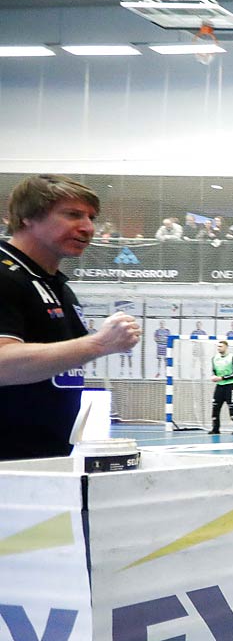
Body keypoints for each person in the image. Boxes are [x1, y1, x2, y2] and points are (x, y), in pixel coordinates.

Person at [0, 175, 139, 459]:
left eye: (91, 217)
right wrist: (99, 344)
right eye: (72, 215)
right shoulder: (5, 276)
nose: (88, 227)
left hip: (44, 459)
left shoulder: (56, 285)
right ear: (28, 217)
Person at [209, 339, 233, 435]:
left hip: (230, 386)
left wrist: (222, 378)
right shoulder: (215, 358)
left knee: (232, 408)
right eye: (218, 346)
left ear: (226, 347)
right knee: (215, 407)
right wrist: (214, 376)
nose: (219, 348)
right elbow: (214, 371)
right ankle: (215, 428)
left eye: (221, 346)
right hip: (219, 387)